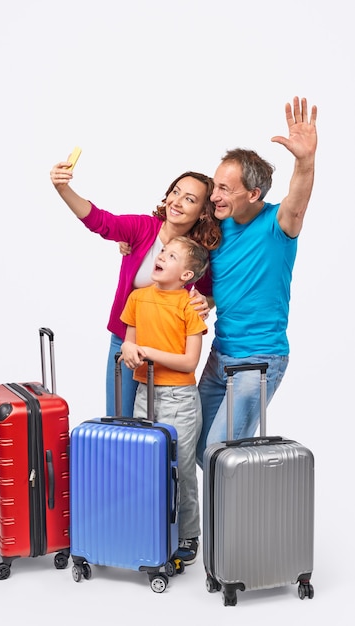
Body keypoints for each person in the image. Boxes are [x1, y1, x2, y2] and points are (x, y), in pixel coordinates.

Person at [196, 96, 318, 468]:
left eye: (224, 189)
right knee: (197, 449)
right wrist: (210, 302)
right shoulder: (218, 227)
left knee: (220, 456)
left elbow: (297, 202)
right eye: (215, 185)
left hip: (259, 360)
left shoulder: (278, 224)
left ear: (253, 194)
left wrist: (305, 160)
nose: (214, 195)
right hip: (221, 355)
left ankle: (249, 514)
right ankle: (244, 496)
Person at [50, 164, 221, 417]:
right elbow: (101, 221)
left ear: (203, 212)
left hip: (168, 351)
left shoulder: (199, 251)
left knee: (160, 430)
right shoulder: (142, 229)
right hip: (126, 341)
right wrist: (64, 189)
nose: (177, 201)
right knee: (120, 420)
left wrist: (204, 303)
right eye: (176, 191)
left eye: (190, 199)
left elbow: (208, 292)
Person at [120, 236, 209, 565]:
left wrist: (148, 354)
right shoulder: (138, 298)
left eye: (171, 256)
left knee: (181, 469)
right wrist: (131, 351)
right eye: (163, 252)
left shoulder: (189, 306)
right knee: (146, 465)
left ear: (186, 275)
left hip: (180, 399)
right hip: (146, 394)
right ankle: (150, 527)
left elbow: (189, 363)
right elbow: (129, 344)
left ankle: (188, 533)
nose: (161, 256)